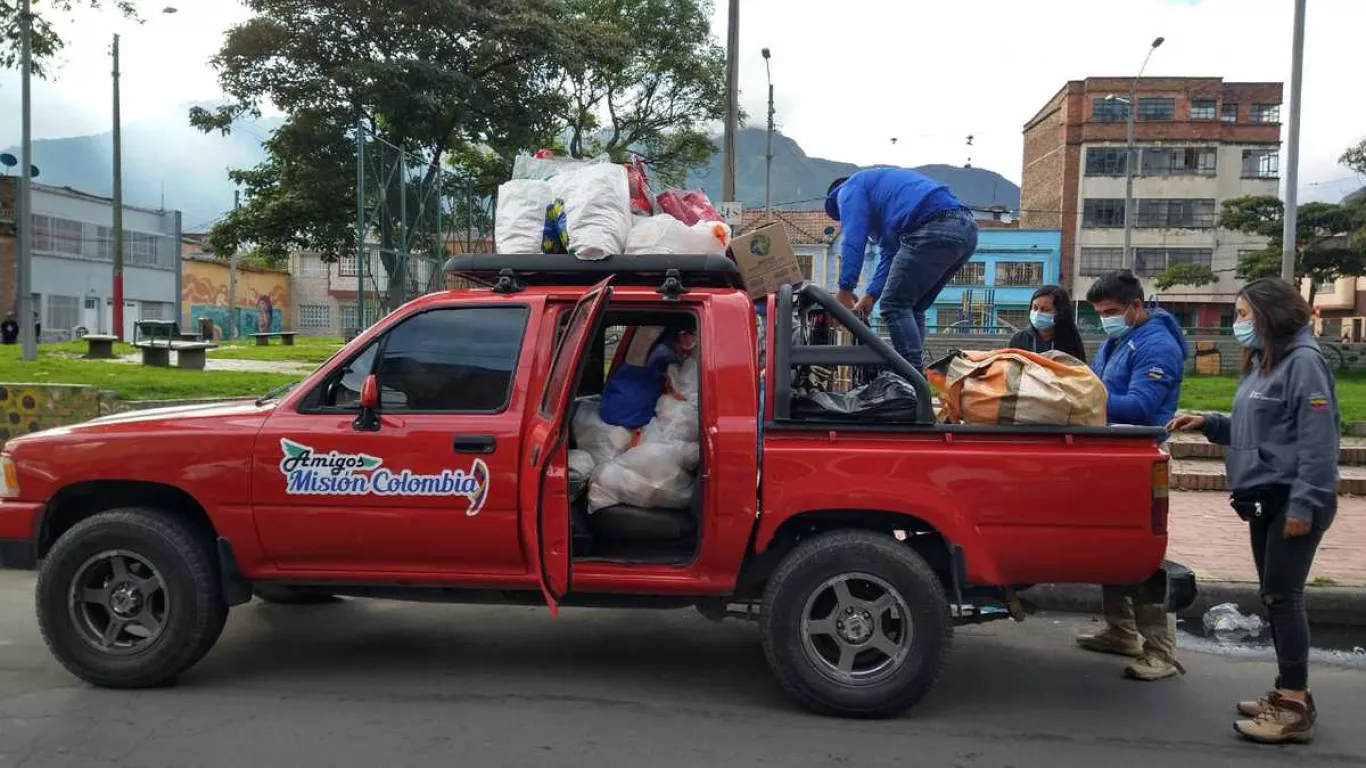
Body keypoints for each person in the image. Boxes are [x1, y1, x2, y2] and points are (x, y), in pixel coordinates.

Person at [1168, 278, 1338, 745]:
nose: (1239, 324)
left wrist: (1305, 504)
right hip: (1266, 496)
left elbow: (1319, 444)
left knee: (1284, 598)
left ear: (1270, 315)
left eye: (1244, 315)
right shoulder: (1266, 362)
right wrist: (1211, 423)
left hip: (1293, 499)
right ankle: (1286, 691)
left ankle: (1294, 705)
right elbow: (1261, 426)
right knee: (1273, 596)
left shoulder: (1304, 363)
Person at [1074, 270, 1187, 681]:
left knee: (1140, 551)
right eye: (1100, 313)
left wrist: (1082, 400)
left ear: (1136, 306)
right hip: (1116, 454)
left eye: (1112, 311)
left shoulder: (1156, 345)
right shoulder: (1118, 340)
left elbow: (1139, 406)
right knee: (1113, 544)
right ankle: (1121, 630)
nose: (1105, 318)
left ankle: (1161, 650)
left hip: (1140, 456)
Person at [825, 168, 978, 371]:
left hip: (933, 226)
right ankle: (915, 380)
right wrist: (870, 295)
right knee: (912, 306)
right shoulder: (886, 200)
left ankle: (911, 381)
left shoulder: (849, 189)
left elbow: (854, 238)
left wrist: (845, 290)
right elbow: (891, 254)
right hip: (965, 231)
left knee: (894, 305)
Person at [1006, 285, 1087, 362]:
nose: (1038, 313)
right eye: (1035, 308)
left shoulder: (1070, 341)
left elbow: (1078, 372)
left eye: (1045, 309)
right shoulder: (1019, 340)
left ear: (1060, 313)